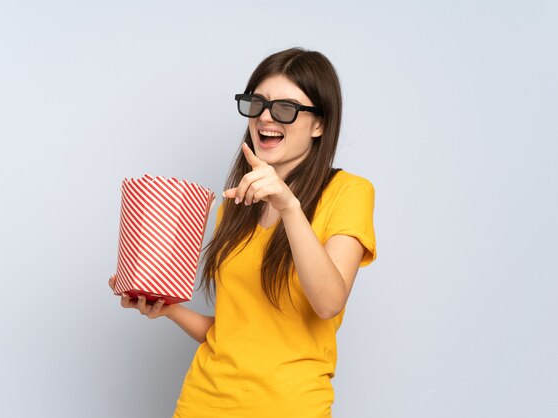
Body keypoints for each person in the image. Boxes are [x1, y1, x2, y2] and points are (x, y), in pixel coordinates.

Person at [108, 47, 377, 418]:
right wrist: (169, 311)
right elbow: (234, 333)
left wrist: (288, 206)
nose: (266, 117)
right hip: (202, 402)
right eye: (258, 103)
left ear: (320, 124)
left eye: (286, 107)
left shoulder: (349, 192)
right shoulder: (236, 206)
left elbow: (329, 301)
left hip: (287, 408)